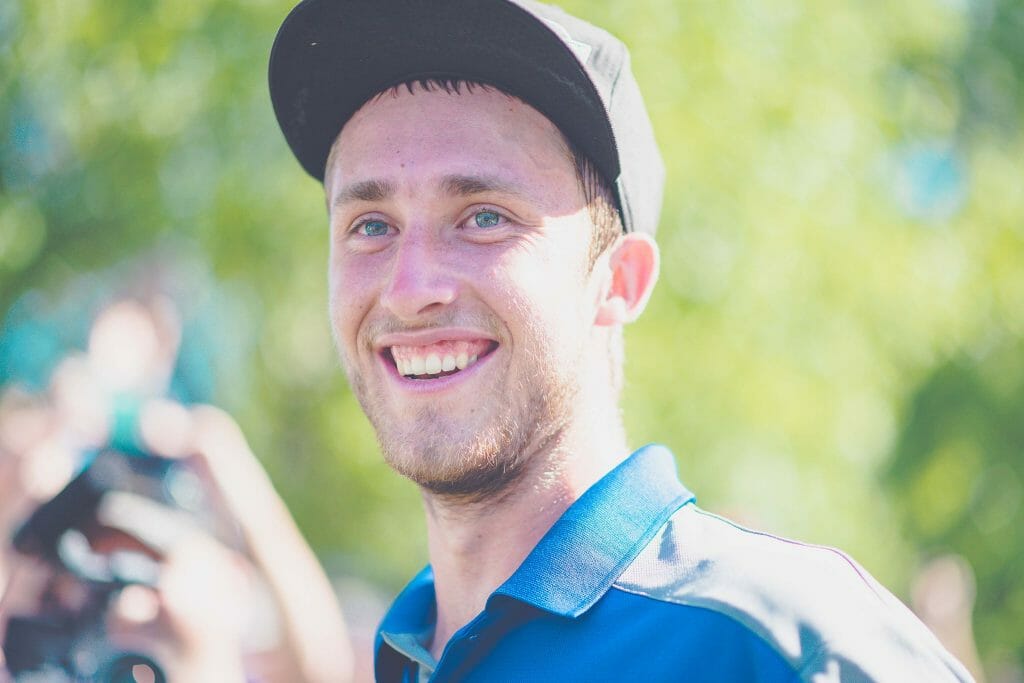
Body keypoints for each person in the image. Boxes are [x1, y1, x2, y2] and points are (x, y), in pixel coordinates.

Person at [268, 0, 974, 680]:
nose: (408, 286)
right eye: (370, 226)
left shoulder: (786, 644)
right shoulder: (404, 653)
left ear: (620, 281)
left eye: (483, 217)